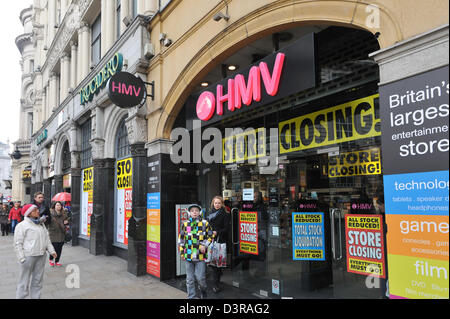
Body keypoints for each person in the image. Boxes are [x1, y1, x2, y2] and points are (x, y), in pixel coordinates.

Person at [14, 204, 57, 299]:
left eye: (37, 209)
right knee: (24, 281)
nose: (38, 211)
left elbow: (47, 239)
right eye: (35, 210)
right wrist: (21, 258)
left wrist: (51, 251)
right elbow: (18, 243)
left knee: (37, 280)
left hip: (41, 256)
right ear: (29, 213)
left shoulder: (41, 224)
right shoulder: (22, 226)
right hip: (28, 257)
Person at [178, 204, 213, 299]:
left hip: (200, 256)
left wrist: (204, 245)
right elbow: (181, 240)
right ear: (189, 213)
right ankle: (191, 297)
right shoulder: (185, 224)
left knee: (200, 279)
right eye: (192, 210)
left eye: (196, 210)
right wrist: (181, 252)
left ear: (199, 212)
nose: (194, 212)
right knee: (189, 279)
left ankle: (203, 291)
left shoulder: (205, 223)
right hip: (188, 255)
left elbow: (211, 236)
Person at [207, 196, 230, 293]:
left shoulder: (225, 214)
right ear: (213, 203)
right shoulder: (210, 213)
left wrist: (217, 232)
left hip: (220, 241)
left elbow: (226, 229)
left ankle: (216, 285)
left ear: (222, 204)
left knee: (216, 264)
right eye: (215, 203)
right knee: (212, 263)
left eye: (219, 203)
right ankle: (218, 275)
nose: (217, 205)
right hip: (210, 240)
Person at [46, 201, 69, 267]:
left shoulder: (64, 214)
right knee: (54, 248)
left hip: (62, 233)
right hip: (53, 234)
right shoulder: (50, 214)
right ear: (54, 206)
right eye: (57, 205)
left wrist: (66, 222)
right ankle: (51, 259)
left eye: (60, 205)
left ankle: (57, 261)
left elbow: (67, 222)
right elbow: (47, 223)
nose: (59, 206)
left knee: (59, 248)